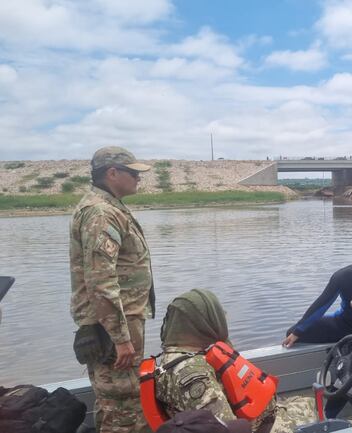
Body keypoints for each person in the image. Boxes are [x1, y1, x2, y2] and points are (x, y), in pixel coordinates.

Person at [142, 289, 315, 433]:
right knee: (313, 410)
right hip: (261, 427)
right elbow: (224, 427)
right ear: (203, 322)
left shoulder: (171, 357)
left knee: (304, 402)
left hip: (261, 416)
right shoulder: (194, 374)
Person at [70, 146, 154, 433]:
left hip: (116, 322)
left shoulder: (108, 207)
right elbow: (101, 280)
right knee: (124, 403)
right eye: (132, 173)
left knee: (115, 401)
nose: (137, 178)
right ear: (112, 173)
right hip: (115, 326)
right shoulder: (102, 212)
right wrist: (120, 338)